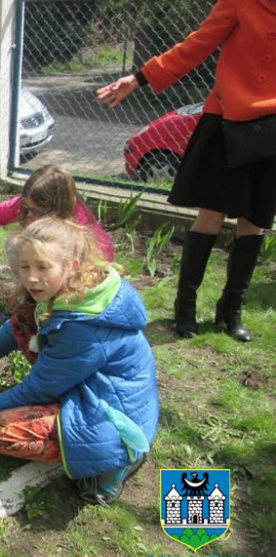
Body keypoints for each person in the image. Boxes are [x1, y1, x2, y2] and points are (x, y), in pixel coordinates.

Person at [0, 218, 159, 506]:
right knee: (23, 317)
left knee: (0, 430)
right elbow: (15, 327)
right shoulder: (77, 293)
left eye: (43, 267)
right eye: (25, 266)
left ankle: (109, 468)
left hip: (114, 421)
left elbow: (37, 388)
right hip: (91, 386)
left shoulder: (84, 328)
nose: (31, 278)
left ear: (73, 266)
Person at [96, 0, 276, 342]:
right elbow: (197, 44)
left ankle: (230, 311)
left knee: (254, 221)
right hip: (227, 122)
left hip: (270, 130)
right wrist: (139, 78)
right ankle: (186, 307)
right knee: (211, 214)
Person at [0, 165, 114, 363]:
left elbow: (92, 281)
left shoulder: (81, 234)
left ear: (56, 210)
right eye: (26, 207)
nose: (27, 215)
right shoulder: (27, 206)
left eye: (35, 212)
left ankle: (46, 319)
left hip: (83, 292)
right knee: (17, 248)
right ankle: (33, 304)